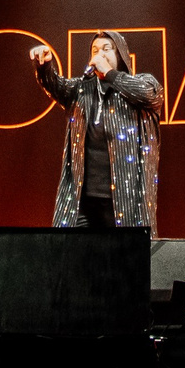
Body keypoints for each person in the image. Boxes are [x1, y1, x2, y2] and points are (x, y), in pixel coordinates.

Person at [30, 32, 163, 229]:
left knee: (122, 257)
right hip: (82, 201)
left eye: (106, 49)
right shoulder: (82, 89)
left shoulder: (143, 83)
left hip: (124, 202)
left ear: (120, 54)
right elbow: (56, 85)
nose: (99, 54)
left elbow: (150, 95)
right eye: (95, 50)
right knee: (75, 254)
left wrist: (110, 74)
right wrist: (44, 66)